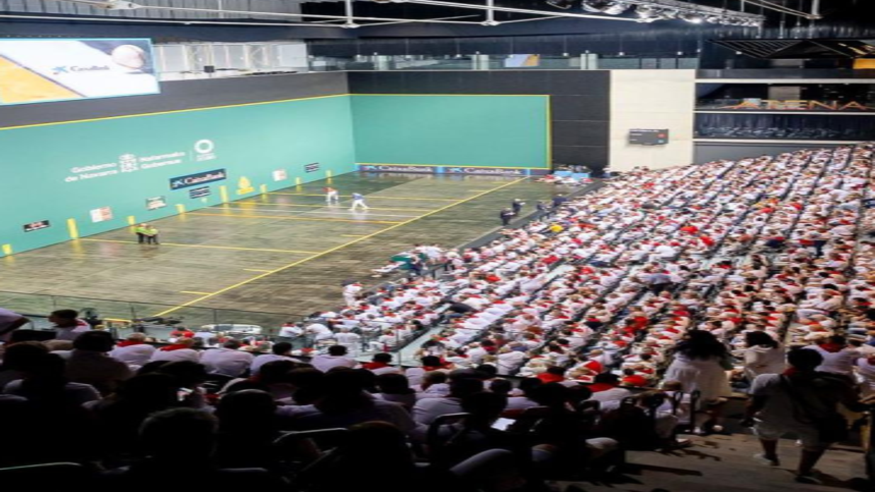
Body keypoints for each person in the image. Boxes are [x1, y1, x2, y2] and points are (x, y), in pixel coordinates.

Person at [744, 348, 866, 484]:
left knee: (766, 431)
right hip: (813, 423)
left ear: (789, 361)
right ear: (818, 363)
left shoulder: (765, 379)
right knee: (814, 446)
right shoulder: (835, 383)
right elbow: (855, 406)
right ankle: (804, 471)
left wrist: (747, 417)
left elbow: (754, 404)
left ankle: (770, 455)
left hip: (772, 420)